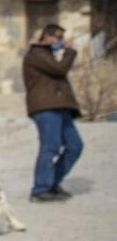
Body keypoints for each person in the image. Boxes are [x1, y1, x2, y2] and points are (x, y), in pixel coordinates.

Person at [23, 23, 83, 202]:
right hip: (46, 108)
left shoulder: (48, 55)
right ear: (46, 37)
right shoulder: (36, 54)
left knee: (75, 146)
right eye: (58, 38)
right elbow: (59, 70)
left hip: (60, 107)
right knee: (50, 147)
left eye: (62, 38)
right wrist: (70, 52)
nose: (61, 41)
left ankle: (52, 183)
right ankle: (40, 190)